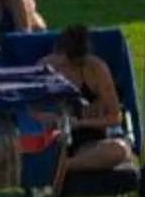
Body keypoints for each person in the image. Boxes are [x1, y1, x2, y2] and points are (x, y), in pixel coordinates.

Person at [50, 23, 133, 180]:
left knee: (119, 150)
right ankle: (60, 165)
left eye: (78, 63)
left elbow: (115, 117)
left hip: (88, 142)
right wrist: (58, 120)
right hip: (53, 139)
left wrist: (81, 123)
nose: (71, 67)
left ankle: (65, 166)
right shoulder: (46, 68)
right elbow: (32, 112)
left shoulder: (96, 70)